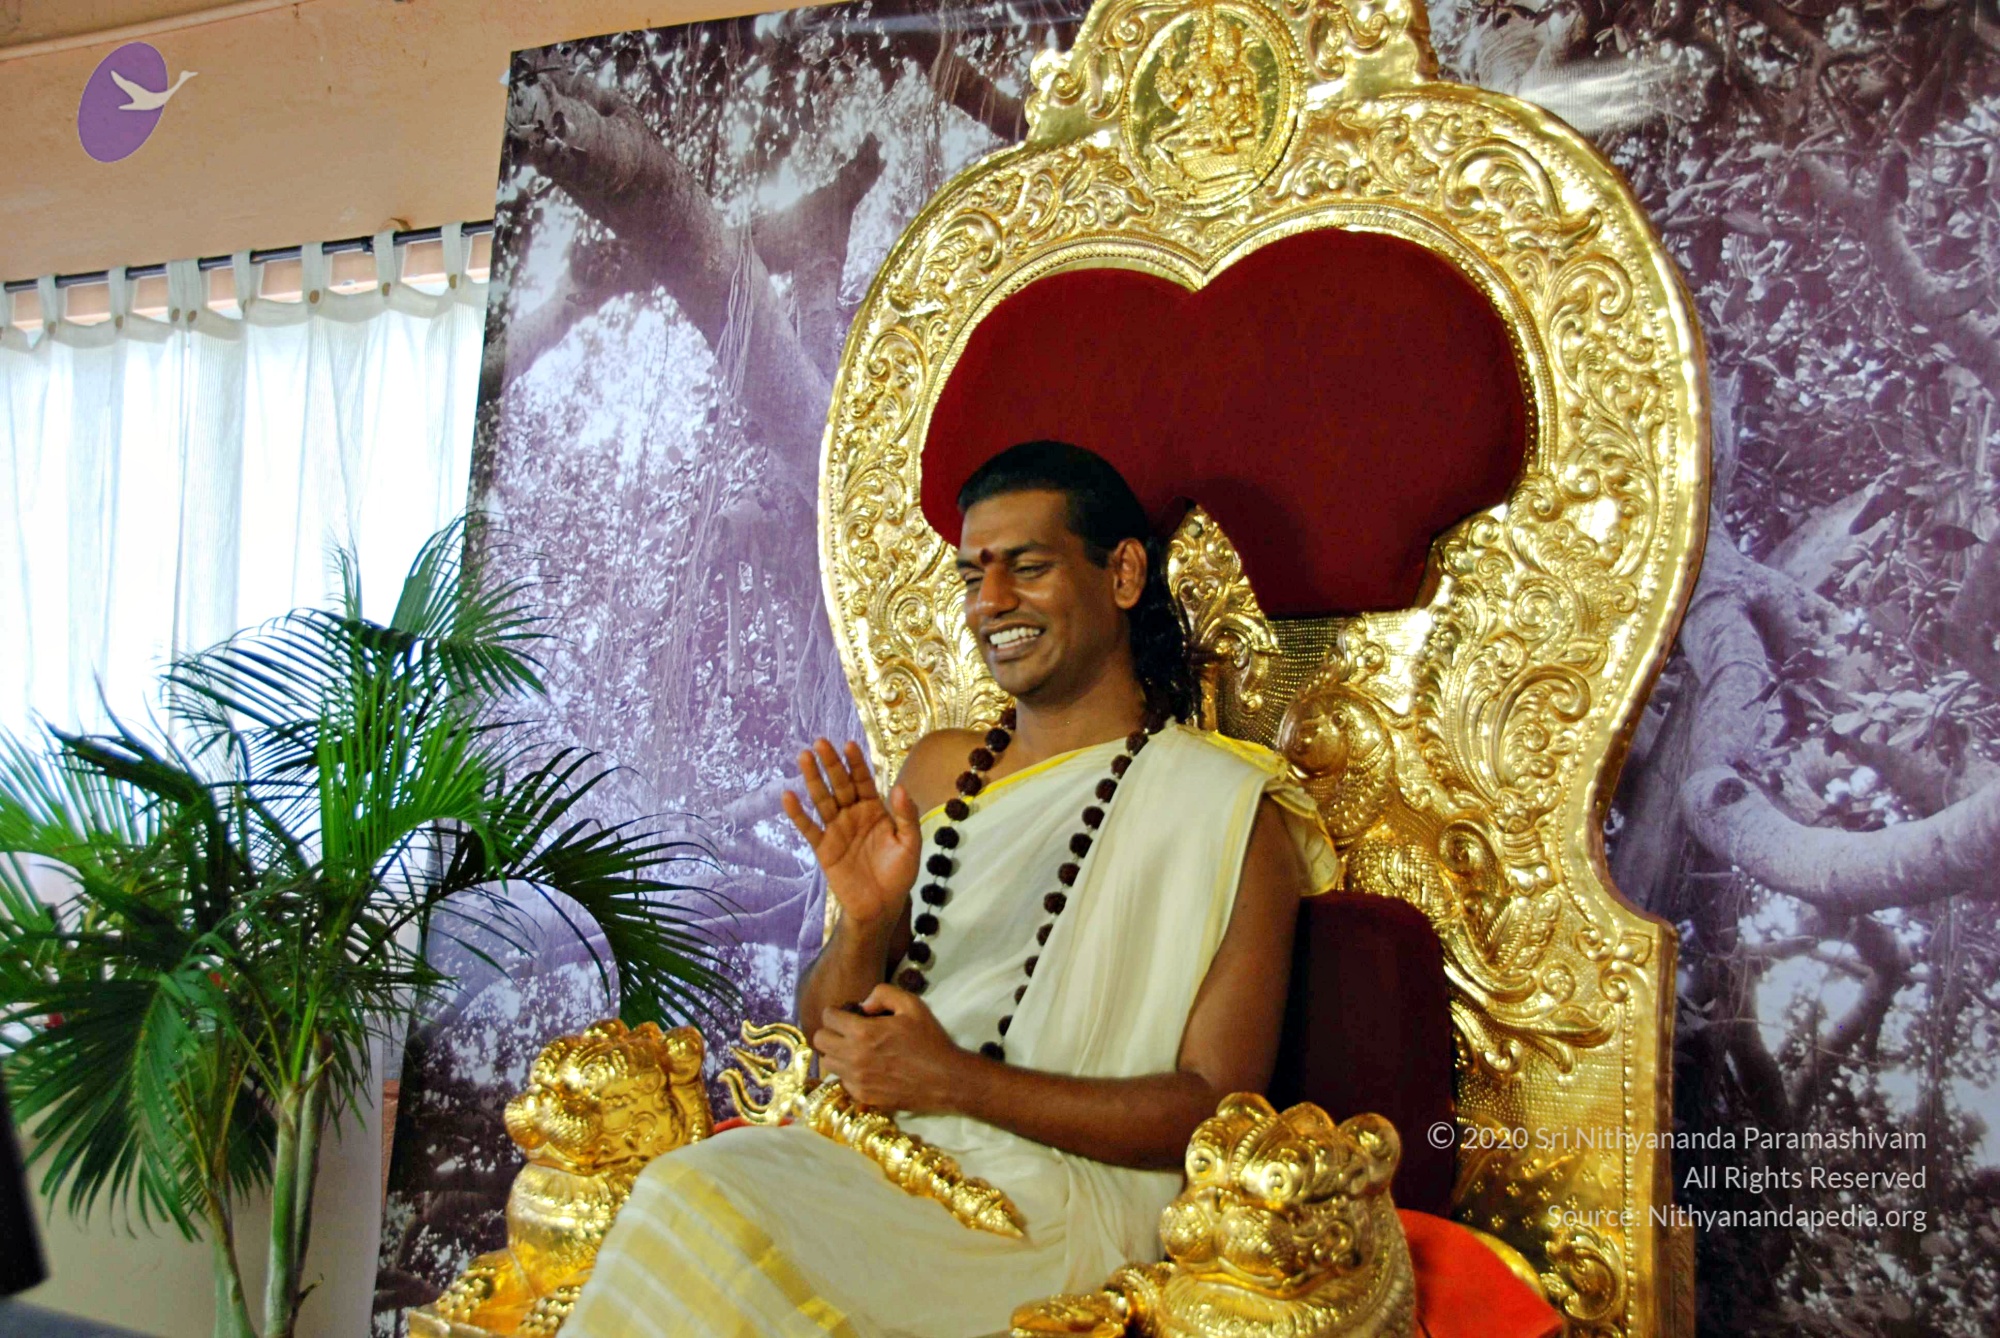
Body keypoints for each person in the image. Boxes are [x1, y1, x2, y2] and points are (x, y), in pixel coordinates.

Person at [563, 441, 1339, 1338]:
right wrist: (866, 923)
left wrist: (955, 1081)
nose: (991, 601)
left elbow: (1214, 1109)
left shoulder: (1226, 806)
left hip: (1057, 1205)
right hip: (879, 1156)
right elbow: (828, 1035)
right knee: (687, 1195)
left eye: (1028, 567)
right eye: (974, 574)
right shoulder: (939, 772)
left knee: (695, 1200)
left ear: (1123, 574)